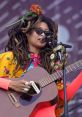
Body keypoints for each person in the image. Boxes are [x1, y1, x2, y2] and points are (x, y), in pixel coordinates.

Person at [0, 4, 82, 117]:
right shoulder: (9, 58)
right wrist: (11, 84)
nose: (43, 35)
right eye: (38, 31)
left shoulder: (51, 65)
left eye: (47, 33)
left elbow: (63, 99)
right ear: (27, 31)